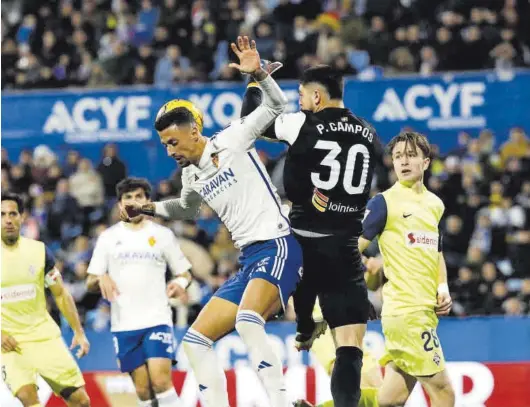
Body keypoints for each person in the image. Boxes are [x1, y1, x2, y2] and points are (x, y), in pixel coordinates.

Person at [122, 36, 303, 407]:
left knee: (249, 320)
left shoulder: (233, 139)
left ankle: (282, 402)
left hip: (279, 244)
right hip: (249, 261)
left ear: (193, 130)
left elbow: (277, 104)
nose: (171, 152)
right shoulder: (191, 174)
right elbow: (187, 209)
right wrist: (149, 209)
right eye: (165, 146)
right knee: (195, 341)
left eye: (173, 142)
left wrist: (258, 75)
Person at [240, 63, 383, 406]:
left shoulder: (303, 121)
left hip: (303, 243)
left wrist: (254, 81)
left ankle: (303, 326)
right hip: (347, 248)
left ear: (316, 96)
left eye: (302, 95)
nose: (300, 101)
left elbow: (252, 121)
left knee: (266, 310)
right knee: (350, 348)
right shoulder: (368, 131)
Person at [296, 132, 455, 407]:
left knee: (390, 400)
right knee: (444, 393)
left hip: (424, 312)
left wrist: (443, 287)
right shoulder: (384, 203)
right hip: (407, 314)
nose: (403, 162)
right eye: (397, 157)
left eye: (410, 155)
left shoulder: (435, 204)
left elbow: (436, 251)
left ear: (426, 162)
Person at [86, 177, 192, 407]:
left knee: (161, 381)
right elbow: (89, 281)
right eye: (128, 197)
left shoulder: (163, 235)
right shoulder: (108, 238)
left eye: (138, 197)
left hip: (157, 319)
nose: (133, 201)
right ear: (119, 205)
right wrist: (100, 277)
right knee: (143, 390)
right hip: (124, 323)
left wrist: (180, 284)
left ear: (148, 202)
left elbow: (185, 273)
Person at [1, 192, 91, 407]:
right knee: (27, 396)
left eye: (13, 214)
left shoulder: (39, 251)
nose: (8, 220)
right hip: (9, 343)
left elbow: (60, 293)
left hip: (44, 337)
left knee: (81, 401)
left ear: (22, 217)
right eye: (2, 214)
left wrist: (78, 332)